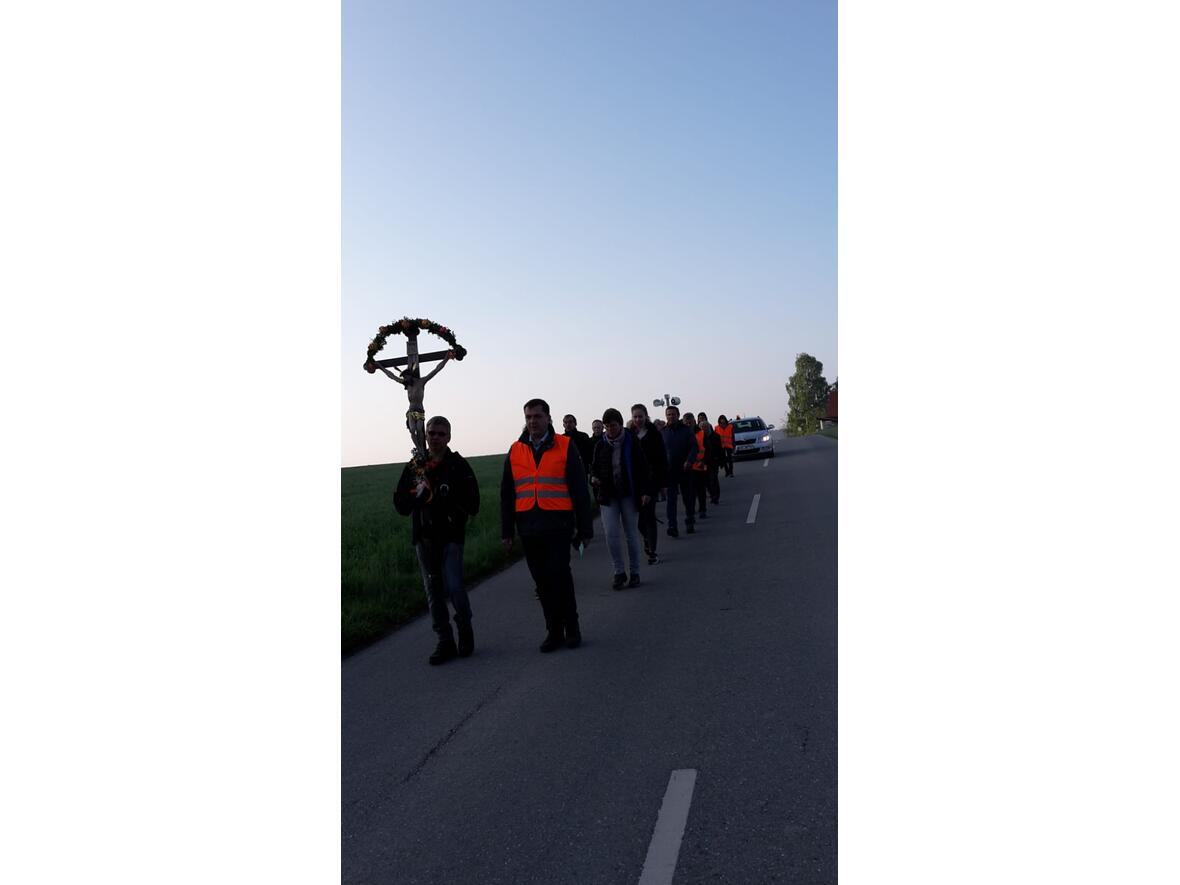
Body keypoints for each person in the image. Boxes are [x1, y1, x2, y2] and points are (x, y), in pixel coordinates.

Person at [501, 398, 594, 652]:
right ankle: (553, 631)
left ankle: (572, 628)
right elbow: (507, 494)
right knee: (541, 582)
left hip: (558, 524)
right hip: (529, 526)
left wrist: (586, 528)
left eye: (538, 416)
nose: (533, 421)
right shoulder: (516, 449)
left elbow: (579, 490)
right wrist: (507, 530)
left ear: (549, 418)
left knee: (560, 576)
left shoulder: (565, 445)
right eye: (529, 417)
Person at [393, 416, 481, 665]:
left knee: (454, 588)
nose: (435, 437)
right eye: (431, 432)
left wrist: (449, 501)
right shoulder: (416, 467)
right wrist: (417, 497)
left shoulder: (458, 465)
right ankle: (444, 641)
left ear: (449, 437)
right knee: (433, 592)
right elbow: (400, 503)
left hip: (451, 537)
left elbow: (473, 504)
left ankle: (465, 630)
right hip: (424, 539)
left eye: (441, 433)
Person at [590, 408, 654, 589]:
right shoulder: (600, 445)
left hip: (629, 494)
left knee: (631, 534)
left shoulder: (631, 441)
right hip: (608, 495)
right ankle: (619, 572)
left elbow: (643, 468)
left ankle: (635, 572)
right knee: (611, 534)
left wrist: (646, 491)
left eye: (614, 425)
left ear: (620, 424)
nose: (610, 429)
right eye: (607, 426)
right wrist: (593, 477)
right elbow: (593, 467)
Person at [631, 403, 668, 565]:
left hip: (651, 480)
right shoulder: (629, 434)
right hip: (633, 483)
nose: (638, 419)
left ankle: (652, 551)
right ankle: (646, 538)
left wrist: (662, 484)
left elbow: (661, 460)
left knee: (649, 516)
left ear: (646, 416)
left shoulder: (654, 434)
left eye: (640, 416)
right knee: (639, 521)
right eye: (635, 416)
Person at [660, 405, 699, 537]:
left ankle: (689, 519)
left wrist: (689, 460)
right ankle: (672, 525)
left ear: (678, 415)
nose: (671, 417)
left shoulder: (686, 431)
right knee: (671, 500)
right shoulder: (663, 432)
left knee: (687, 497)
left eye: (673, 414)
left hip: (685, 469)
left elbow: (694, 447)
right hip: (669, 471)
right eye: (668, 414)